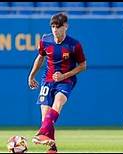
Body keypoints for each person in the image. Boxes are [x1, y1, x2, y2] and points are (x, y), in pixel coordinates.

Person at [28, 12, 86, 153]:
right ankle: (52, 149)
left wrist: (64, 75)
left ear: (65, 26)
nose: (54, 29)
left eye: (58, 26)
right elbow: (40, 58)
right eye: (52, 26)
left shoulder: (74, 45)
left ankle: (42, 132)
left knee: (58, 103)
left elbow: (83, 66)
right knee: (46, 117)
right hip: (47, 80)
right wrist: (31, 76)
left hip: (66, 80)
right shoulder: (45, 40)